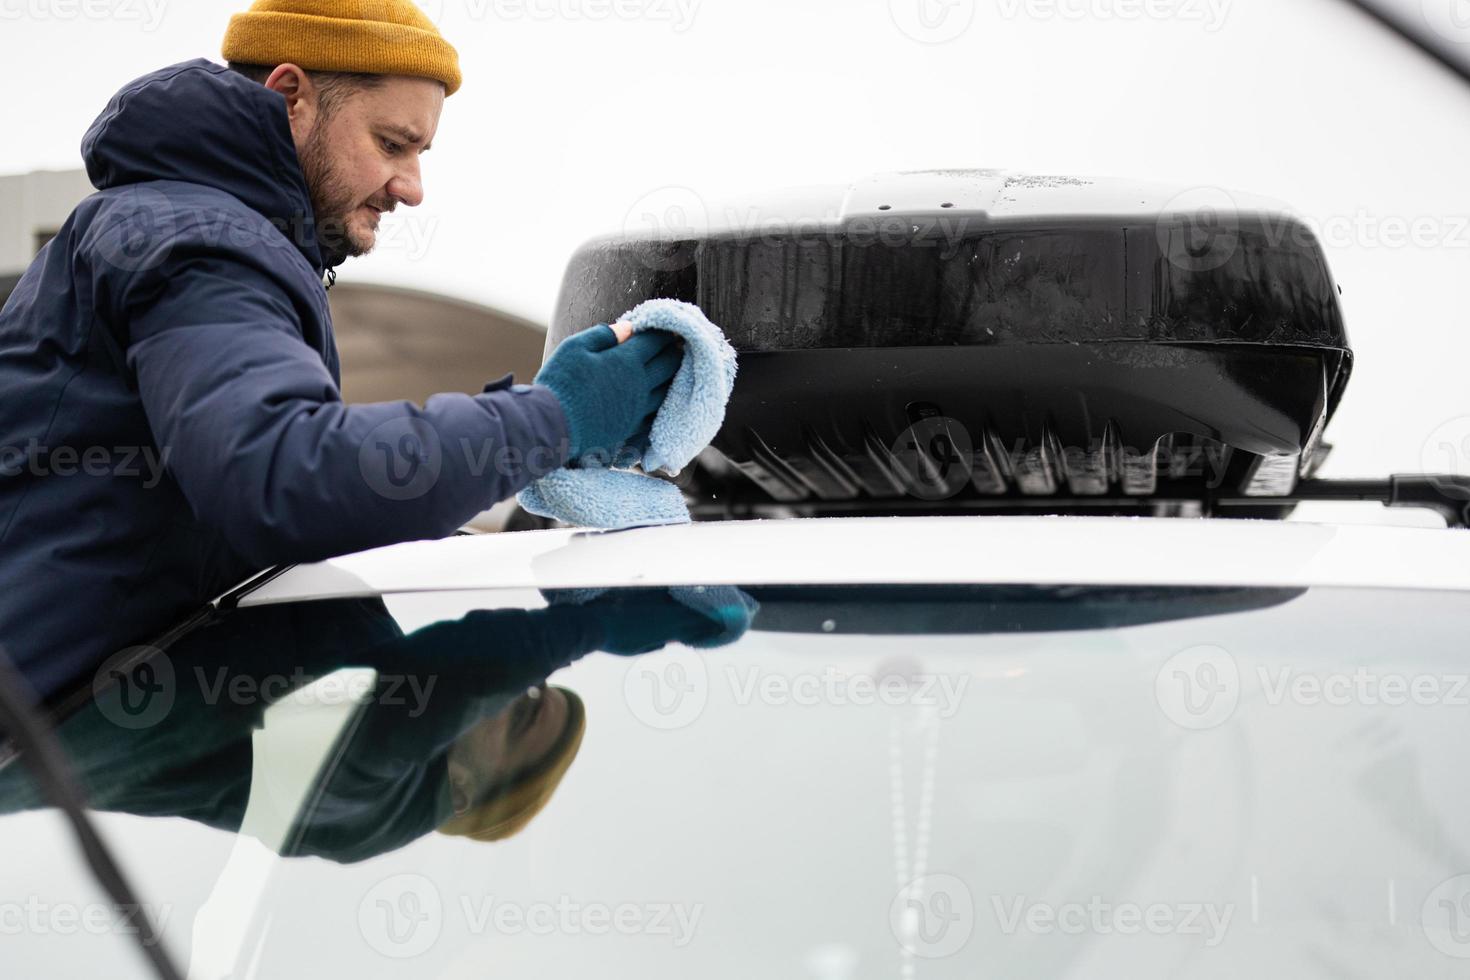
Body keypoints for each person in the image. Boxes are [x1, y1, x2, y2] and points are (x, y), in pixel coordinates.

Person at [0, 0, 680, 699]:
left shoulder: (181, 228)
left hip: (62, 756)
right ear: (290, 97)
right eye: (392, 144)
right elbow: (282, 475)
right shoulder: (202, 243)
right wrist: (555, 417)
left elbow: (228, 558)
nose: (412, 188)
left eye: (419, 154)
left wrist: (533, 577)